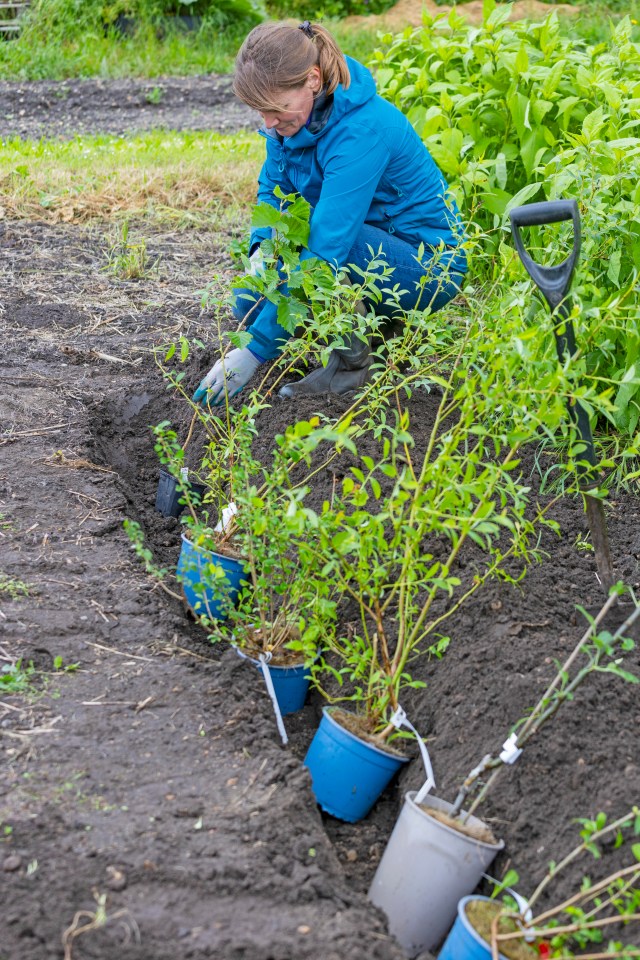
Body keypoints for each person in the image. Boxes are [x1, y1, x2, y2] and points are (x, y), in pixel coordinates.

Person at [193, 20, 468, 406]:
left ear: (312, 79)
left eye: (276, 109)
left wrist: (253, 352)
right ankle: (374, 332)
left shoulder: (362, 131)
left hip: (426, 266)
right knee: (249, 302)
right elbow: (274, 188)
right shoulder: (290, 124)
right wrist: (262, 249)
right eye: (260, 111)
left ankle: (354, 366)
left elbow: (325, 254)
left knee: (323, 254)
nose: (269, 122)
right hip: (365, 243)